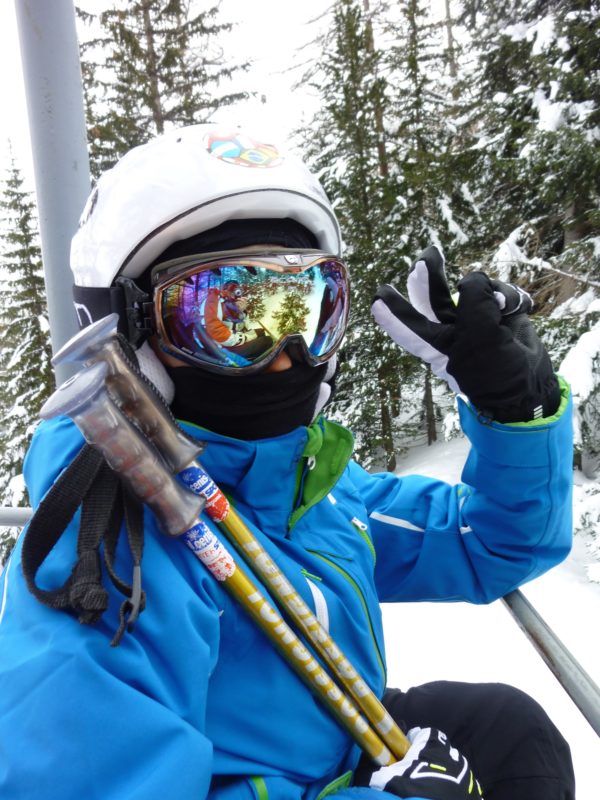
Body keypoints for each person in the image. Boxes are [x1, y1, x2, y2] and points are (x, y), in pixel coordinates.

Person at [0, 125, 575, 800]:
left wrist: (516, 410)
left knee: (512, 730)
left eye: (307, 306)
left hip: (338, 742)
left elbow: (491, 543)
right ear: (132, 334)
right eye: (227, 317)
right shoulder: (109, 555)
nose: (282, 354)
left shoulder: (305, 491)